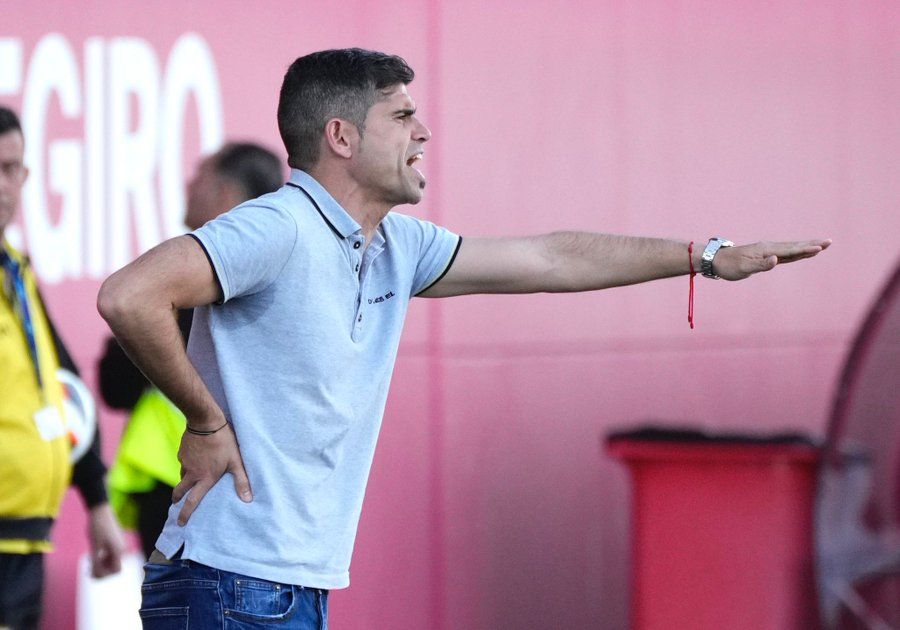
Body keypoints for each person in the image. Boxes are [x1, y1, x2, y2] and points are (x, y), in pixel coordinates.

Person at [97, 48, 831, 629]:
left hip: (283, 587)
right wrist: (207, 420)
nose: (422, 133)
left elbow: (553, 258)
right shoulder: (278, 226)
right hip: (228, 586)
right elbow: (129, 296)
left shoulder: (397, 244)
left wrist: (702, 255)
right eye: (401, 116)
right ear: (341, 137)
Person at [99, 142, 283, 560]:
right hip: (253, 481)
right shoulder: (284, 275)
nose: (187, 185)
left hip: (185, 478)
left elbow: (116, 382)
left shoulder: (194, 278)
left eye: (198, 176)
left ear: (224, 193)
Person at [0, 105, 123, 630]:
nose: (6, 186)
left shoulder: (13, 268)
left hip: (23, 536)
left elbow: (63, 385)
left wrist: (96, 499)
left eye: (14, 169)